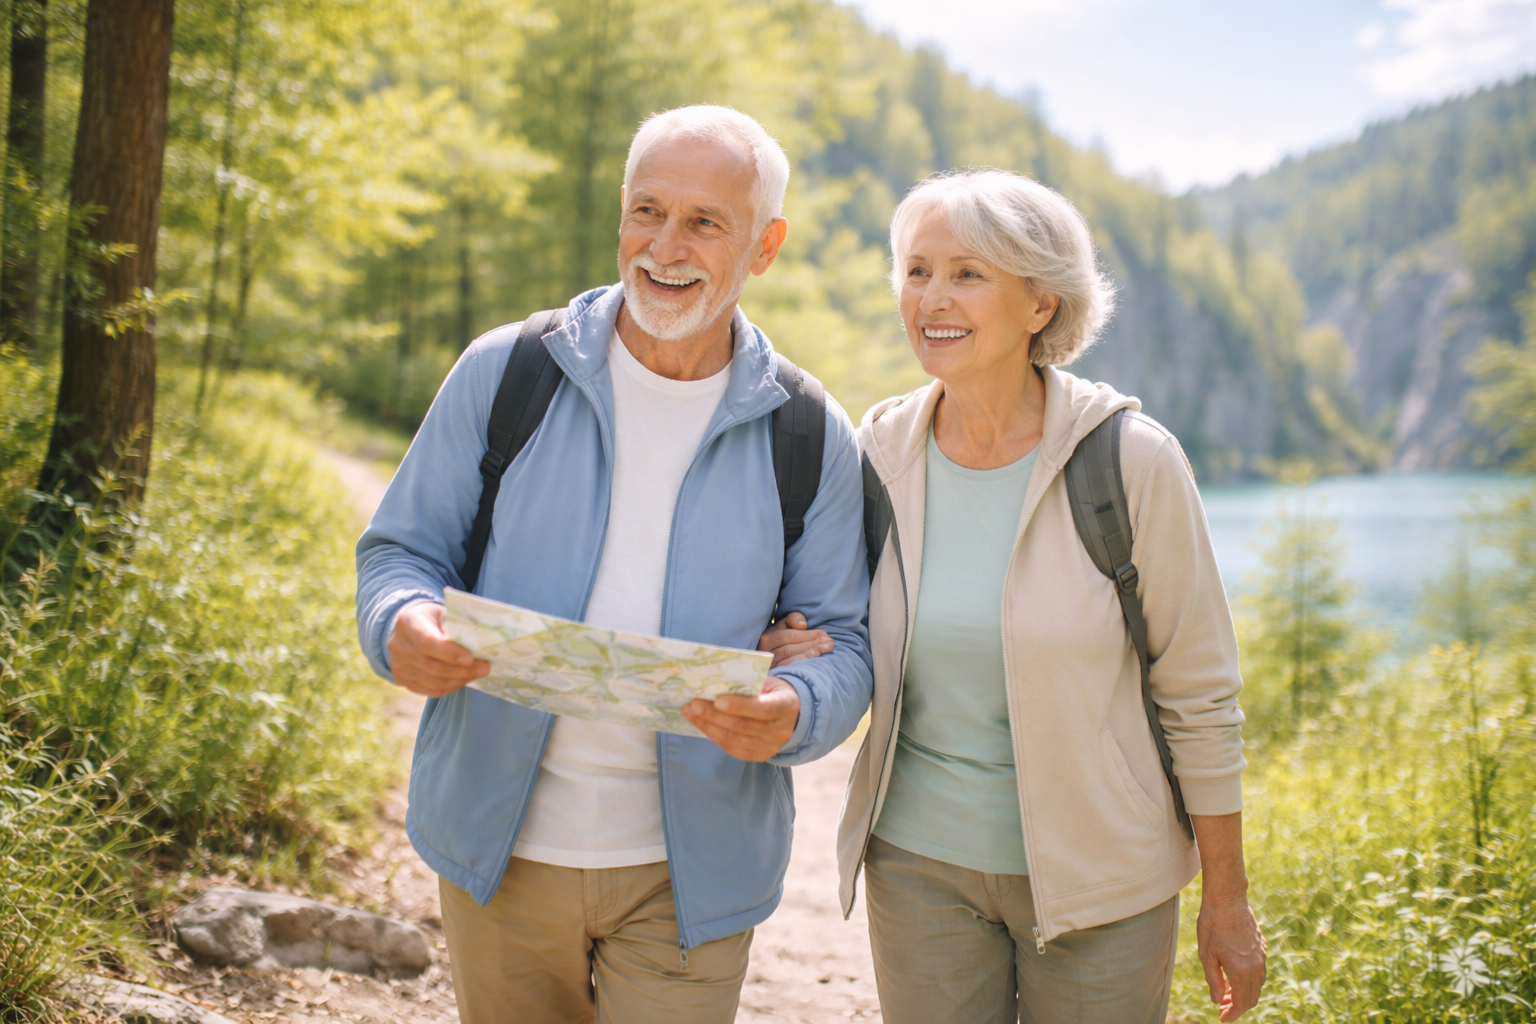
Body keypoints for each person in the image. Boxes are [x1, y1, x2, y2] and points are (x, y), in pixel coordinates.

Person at [355, 105, 873, 1024]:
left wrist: (795, 710)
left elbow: (845, 644)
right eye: (647, 210)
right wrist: (399, 624)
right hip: (499, 851)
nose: (664, 246)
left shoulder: (808, 430)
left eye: (705, 222)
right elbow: (401, 551)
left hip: (692, 876)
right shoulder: (505, 371)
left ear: (764, 247)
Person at [761, 169, 1266, 1023]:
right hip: (918, 867)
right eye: (916, 270)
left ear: (1040, 305)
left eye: (967, 273)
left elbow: (1200, 696)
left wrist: (1227, 900)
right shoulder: (878, 453)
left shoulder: (1132, 462)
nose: (931, 297)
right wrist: (791, 641)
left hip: (1106, 878)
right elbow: (830, 615)